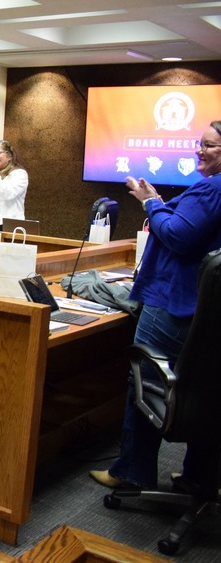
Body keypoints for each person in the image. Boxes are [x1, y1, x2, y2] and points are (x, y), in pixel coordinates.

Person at [89, 120, 221, 495]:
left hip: (174, 303)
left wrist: (150, 203)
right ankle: (200, 476)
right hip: (205, 307)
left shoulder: (212, 189)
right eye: (200, 143)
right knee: (207, 385)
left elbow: (178, 236)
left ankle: (132, 472)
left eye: (210, 146)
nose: (199, 150)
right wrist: (160, 203)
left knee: (146, 380)